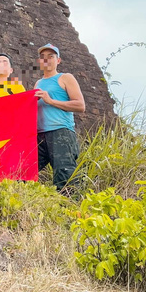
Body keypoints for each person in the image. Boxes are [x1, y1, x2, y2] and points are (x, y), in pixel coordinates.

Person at [33, 43, 85, 193]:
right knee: (25, 170)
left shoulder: (65, 78)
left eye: (51, 56)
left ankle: (71, 211)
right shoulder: (38, 83)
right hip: (40, 135)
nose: (47, 60)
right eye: (43, 57)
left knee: (64, 175)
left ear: (58, 60)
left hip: (61, 131)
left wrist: (51, 101)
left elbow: (80, 105)